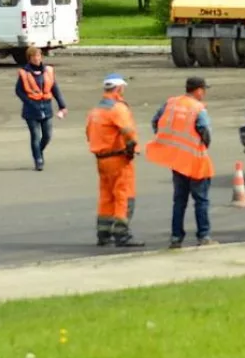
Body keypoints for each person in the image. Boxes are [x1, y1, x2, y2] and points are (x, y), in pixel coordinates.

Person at [146, 76, 215, 249]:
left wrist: (167, 141)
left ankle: (176, 238)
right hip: (195, 160)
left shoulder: (171, 103)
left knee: (179, 201)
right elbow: (205, 131)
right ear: (198, 90)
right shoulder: (198, 108)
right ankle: (203, 236)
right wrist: (202, 146)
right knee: (201, 200)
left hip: (177, 159)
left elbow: (156, 121)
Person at [85, 73, 143, 248]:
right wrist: (132, 148)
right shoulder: (118, 109)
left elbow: (88, 134)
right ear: (118, 89)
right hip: (118, 158)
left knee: (106, 196)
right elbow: (128, 131)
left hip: (101, 159)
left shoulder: (95, 111)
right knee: (123, 196)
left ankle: (103, 233)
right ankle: (122, 234)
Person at [15, 46, 67, 171]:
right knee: (35, 136)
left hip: (47, 107)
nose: (37, 58)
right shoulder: (24, 72)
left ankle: (38, 151)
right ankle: (38, 159)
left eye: (38, 56)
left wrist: (62, 105)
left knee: (48, 135)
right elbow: (19, 91)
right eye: (34, 56)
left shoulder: (48, 71)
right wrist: (29, 102)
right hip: (31, 110)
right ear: (29, 58)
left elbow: (55, 89)